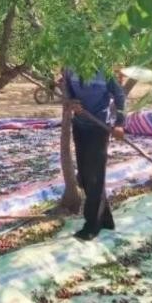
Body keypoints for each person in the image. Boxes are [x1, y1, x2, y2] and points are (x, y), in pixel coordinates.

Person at [61, 67, 126, 241]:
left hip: (99, 127)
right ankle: (105, 219)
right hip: (80, 125)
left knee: (95, 176)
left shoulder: (105, 71)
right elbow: (66, 94)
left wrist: (119, 124)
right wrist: (72, 103)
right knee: (83, 176)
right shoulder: (69, 69)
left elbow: (119, 96)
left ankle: (92, 225)